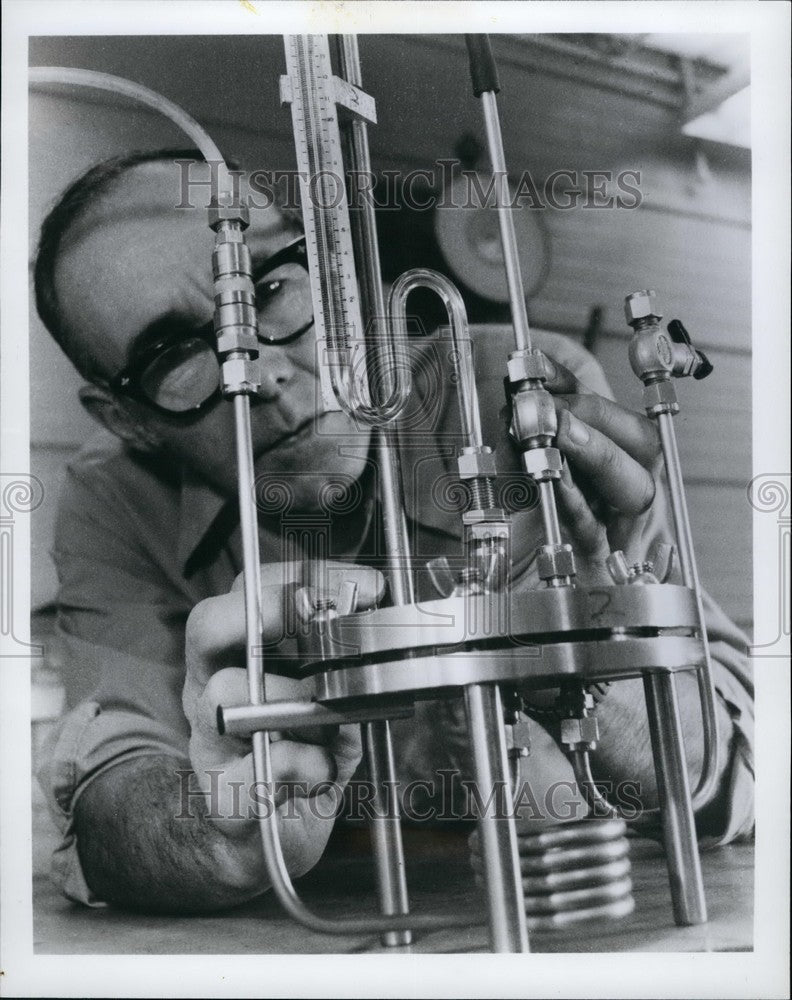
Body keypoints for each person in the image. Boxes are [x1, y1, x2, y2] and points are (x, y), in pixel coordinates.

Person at [35, 150, 754, 914]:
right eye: (174, 354)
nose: (265, 373)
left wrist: (590, 666)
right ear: (129, 420)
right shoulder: (113, 498)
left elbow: (738, 764)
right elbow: (111, 793)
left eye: (270, 289)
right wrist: (220, 834)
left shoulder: (519, 391)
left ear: (338, 277)